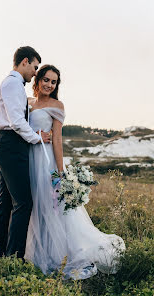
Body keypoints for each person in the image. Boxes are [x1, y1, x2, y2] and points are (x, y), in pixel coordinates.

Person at [25, 64, 126, 279]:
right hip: (28, 160)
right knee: (32, 204)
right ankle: (34, 248)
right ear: (38, 79)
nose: (49, 85)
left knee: (50, 207)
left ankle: (56, 254)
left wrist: (60, 173)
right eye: (46, 80)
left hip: (46, 162)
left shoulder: (57, 105)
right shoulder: (28, 103)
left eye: (53, 82)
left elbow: (58, 140)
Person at [0, 46, 50, 259]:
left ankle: (0, 252)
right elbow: (16, 121)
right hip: (11, 144)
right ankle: (14, 257)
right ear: (25, 61)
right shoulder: (13, 84)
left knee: (7, 201)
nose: (36, 72)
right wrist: (37, 138)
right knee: (23, 202)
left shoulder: (11, 84)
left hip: (7, 143)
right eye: (35, 67)